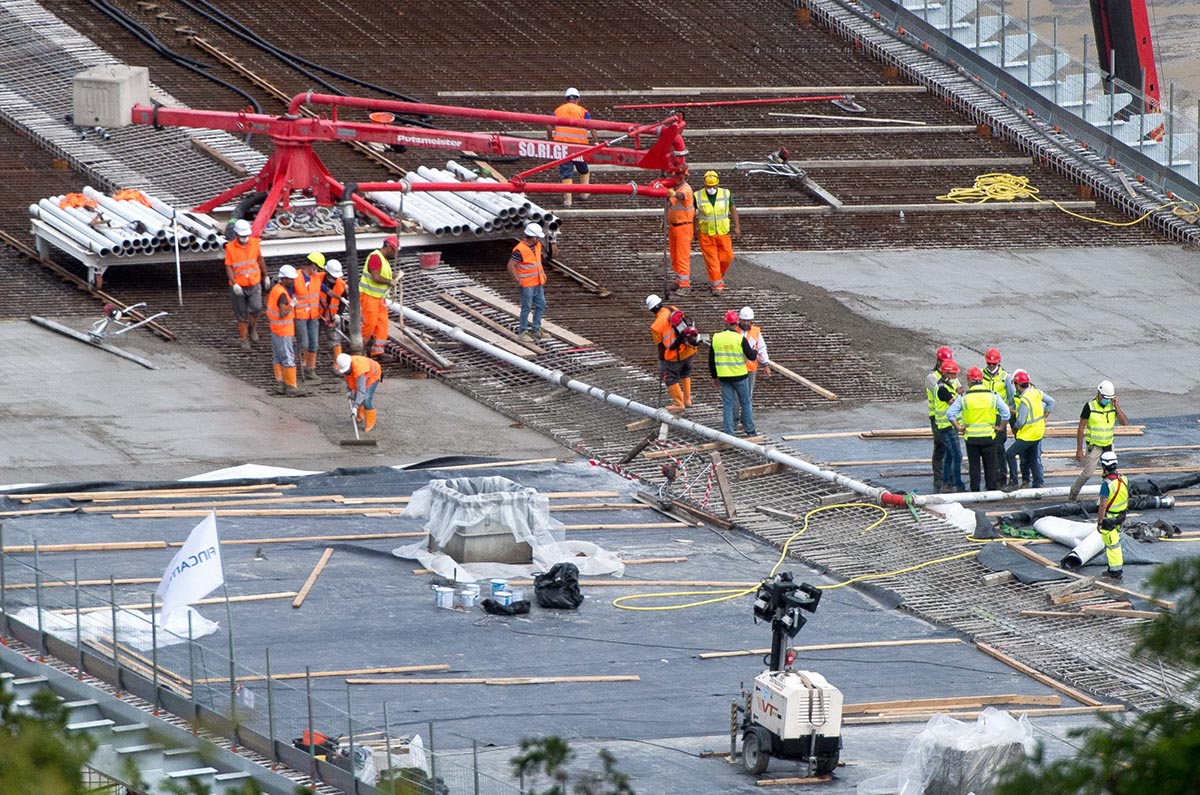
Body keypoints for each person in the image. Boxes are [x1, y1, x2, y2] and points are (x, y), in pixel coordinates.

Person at [948, 366, 1011, 491]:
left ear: (970, 380)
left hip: (971, 438)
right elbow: (1006, 413)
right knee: (990, 466)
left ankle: (975, 492)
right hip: (989, 437)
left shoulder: (964, 397)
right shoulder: (993, 395)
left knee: (974, 467)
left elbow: (950, 414)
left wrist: (959, 427)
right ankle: (991, 491)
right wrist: (1000, 427)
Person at [1068, 380, 1129, 501]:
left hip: (1108, 445)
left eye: (1109, 398)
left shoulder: (1112, 406)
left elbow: (1124, 422)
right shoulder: (1089, 407)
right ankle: (1073, 494)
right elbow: (1081, 428)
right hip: (1094, 446)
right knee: (1088, 473)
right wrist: (1079, 449)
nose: (1107, 400)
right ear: (1098, 394)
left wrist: (1117, 406)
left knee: (1110, 473)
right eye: (1105, 397)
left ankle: (1107, 497)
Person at [709, 310, 758, 436]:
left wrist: (715, 377)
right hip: (740, 376)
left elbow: (711, 360)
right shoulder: (739, 338)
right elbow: (751, 357)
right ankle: (750, 429)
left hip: (724, 377)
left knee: (728, 404)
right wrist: (754, 350)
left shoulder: (716, 338)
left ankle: (729, 432)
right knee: (745, 402)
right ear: (736, 323)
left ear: (725, 322)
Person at [1005, 370, 1055, 489]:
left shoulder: (1024, 399)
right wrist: (1044, 416)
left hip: (1027, 434)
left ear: (1017, 385)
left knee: (1010, 454)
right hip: (1038, 432)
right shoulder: (1036, 393)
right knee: (1034, 459)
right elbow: (1051, 402)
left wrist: (1015, 427)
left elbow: (1021, 421)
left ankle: (1015, 482)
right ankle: (1038, 483)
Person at [223, 218, 269, 350]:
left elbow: (260, 259)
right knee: (241, 313)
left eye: (246, 236)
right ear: (237, 235)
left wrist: (265, 276)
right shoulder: (230, 248)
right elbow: (229, 267)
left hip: (254, 283)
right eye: (242, 236)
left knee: (256, 308)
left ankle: (252, 327)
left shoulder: (254, 243)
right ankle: (244, 338)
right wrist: (234, 283)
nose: (245, 238)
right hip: (239, 286)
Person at [648, 294, 698, 412]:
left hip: (675, 355)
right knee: (685, 373)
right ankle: (687, 400)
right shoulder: (674, 309)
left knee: (670, 378)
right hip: (689, 348)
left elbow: (661, 346)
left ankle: (678, 403)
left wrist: (662, 361)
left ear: (651, 310)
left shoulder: (656, 326)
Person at [694, 171, 740, 294]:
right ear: (704, 185)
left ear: (718, 184)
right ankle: (716, 286)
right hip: (706, 234)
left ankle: (718, 275)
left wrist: (737, 227)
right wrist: (694, 230)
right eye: (709, 186)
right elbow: (692, 214)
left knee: (728, 257)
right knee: (712, 260)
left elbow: (733, 209)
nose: (711, 188)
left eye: (713, 186)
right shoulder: (697, 196)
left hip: (723, 233)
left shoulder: (726, 194)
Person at [550, 88, 594, 206]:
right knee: (583, 167)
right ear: (577, 99)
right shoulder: (582, 111)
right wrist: (596, 141)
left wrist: (550, 139)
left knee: (566, 171)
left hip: (563, 145)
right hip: (579, 145)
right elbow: (592, 126)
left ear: (566, 99)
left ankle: (568, 200)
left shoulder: (558, 110)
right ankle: (584, 193)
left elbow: (549, 125)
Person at [981, 347, 1018, 489]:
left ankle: (1001, 476)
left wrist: (1011, 417)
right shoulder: (981, 375)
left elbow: (1011, 397)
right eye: (989, 364)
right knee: (987, 448)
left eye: (993, 364)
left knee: (999, 448)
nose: (991, 366)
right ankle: (991, 476)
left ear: (999, 362)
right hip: (985, 416)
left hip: (999, 416)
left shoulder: (1006, 377)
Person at [266, 264, 305, 397]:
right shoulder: (282, 294)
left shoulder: (275, 289)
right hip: (283, 330)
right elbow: (283, 313)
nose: (292, 281)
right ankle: (291, 386)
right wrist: (292, 305)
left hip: (275, 329)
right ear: (283, 279)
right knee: (288, 358)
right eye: (290, 279)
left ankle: (281, 385)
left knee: (277, 358)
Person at [361, 235, 398, 358]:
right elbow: (375, 277)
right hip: (369, 296)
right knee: (368, 324)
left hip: (379, 298)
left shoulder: (383, 259)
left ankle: (378, 350)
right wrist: (389, 281)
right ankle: (359, 348)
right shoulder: (375, 257)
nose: (394, 254)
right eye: (394, 250)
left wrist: (392, 275)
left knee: (382, 323)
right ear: (388, 247)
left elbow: (381, 273)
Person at [509, 223, 547, 340]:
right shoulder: (520, 250)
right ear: (533, 237)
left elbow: (537, 263)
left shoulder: (537, 245)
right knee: (526, 307)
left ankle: (536, 329)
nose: (539, 239)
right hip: (526, 284)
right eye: (538, 237)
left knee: (541, 304)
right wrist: (517, 280)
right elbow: (510, 265)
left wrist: (542, 273)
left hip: (538, 281)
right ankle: (523, 332)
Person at [932, 359, 965, 492]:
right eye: (954, 374)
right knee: (957, 455)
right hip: (947, 426)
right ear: (947, 374)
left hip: (949, 425)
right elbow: (954, 403)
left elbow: (959, 389)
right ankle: (957, 483)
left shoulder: (950, 383)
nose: (956, 377)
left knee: (950, 455)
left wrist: (959, 392)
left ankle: (947, 483)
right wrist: (960, 396)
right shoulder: (942, 389)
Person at [735, 306, 770, 431]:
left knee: (748, 396)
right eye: (743, 321)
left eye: (748, 321)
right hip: (737, 368)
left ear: (751, 321)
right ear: (739, 320)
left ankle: (745, 420)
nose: (745, 323)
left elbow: (761, 348)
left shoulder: (756, 332)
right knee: (736, 396)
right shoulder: (735, 331)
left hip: (750, 369)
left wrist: (766, 364)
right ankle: (735, 420)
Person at [925, 346, 956, 491]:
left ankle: (949, 478)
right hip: (937, 418)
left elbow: (958, 390)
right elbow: (944, 394)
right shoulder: (932, 378)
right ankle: (939, 480)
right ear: (938, 361)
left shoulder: (951, 375)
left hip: (950, 417)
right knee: (940, 447)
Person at [1096, 451, 1128, 581]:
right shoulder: (1123, 479)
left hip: (1109, 519)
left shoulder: (1107, 484)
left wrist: (1099, 522)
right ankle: (1113, 569)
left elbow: (1102, 506)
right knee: (1115, 544)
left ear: (1104, 466)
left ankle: (1115, 572)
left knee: (1112, 546)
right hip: (1120, 516)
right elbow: (1126, 497)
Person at [664, 167, 695, 293]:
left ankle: (684, 285)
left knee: (682, 256)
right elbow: (670, 205)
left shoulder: (685, 189)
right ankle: (679, 280)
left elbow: (681, 196)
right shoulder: (675, 189)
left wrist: (670, 193)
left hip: (684, 227)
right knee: (675, 256)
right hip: (674, 226)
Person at [293, 252, 323, 381]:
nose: (319, 270)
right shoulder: (296, 276)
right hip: (300, 316)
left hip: (313, 315)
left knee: (314, 344)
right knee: (302, 343)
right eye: (318, 267)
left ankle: (310, 369)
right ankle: (290, 365)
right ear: (312, 265)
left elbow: (326, 290)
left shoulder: (316, 278)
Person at [336, 352, 382, 433]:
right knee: (356, 396)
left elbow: (361, 390)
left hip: (373, 374)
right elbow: (348, 379)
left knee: (366, 398)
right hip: (364, 374)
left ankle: (370, 423)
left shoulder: (359, 368)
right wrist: (349, 390)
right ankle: (360, 416)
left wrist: (355, 407)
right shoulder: (346, 366)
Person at [318, 259, 347, 360]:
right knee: (311, 339)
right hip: (316, 315)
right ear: (326, 273)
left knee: (335, 339)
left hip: (332, 317)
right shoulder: (316, 279)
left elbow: (343, 301)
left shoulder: (341, 285)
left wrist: (338, 314)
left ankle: (337, 365)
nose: (334, 279)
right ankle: (306, 363)